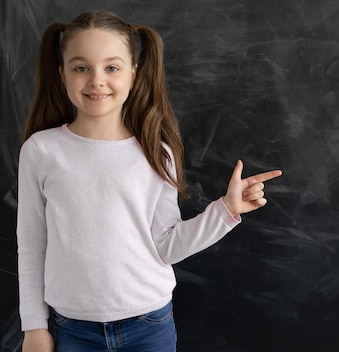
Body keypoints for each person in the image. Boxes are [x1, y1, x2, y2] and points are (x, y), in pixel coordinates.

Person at [17, 10, 282, 352]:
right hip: (73, 329)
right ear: (62, 73)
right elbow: (32, 244)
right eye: (81, 67)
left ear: (133, 73)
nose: (97, 79)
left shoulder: (157, 152)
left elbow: (166, 246)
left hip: (148, 325)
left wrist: (226, 210)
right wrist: (34, 328)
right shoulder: (41, 151)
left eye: (112, 67)